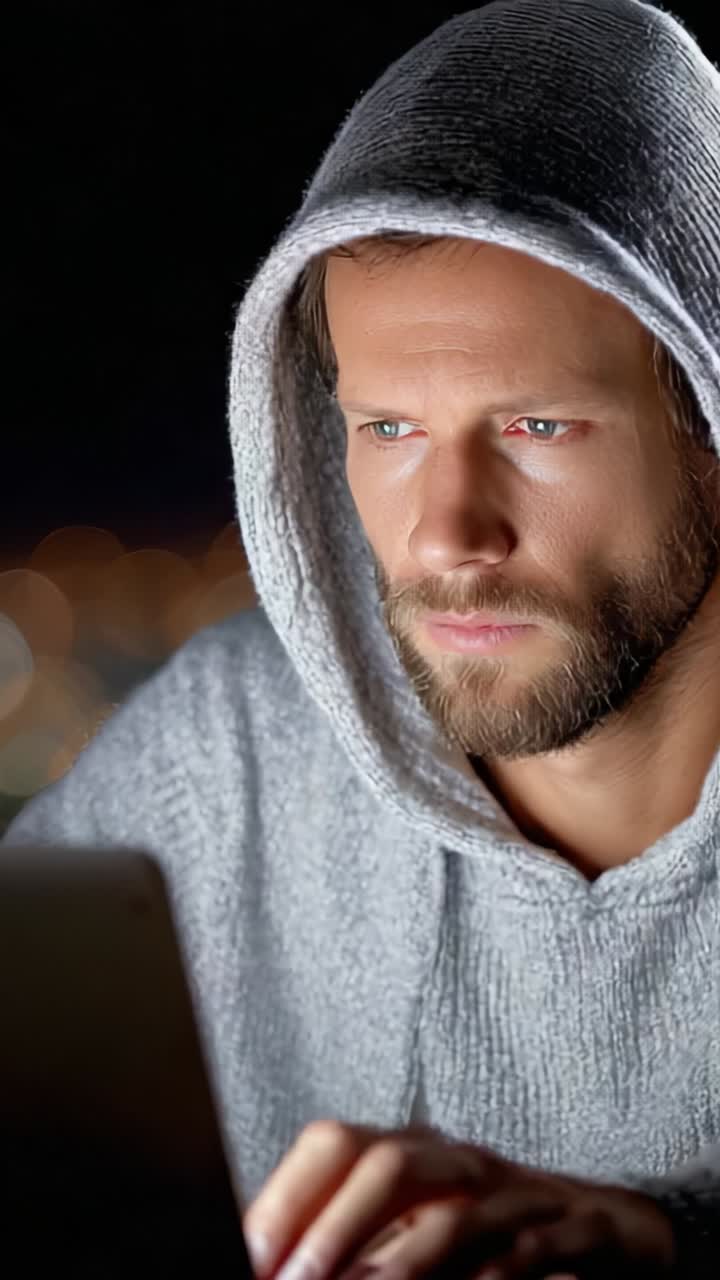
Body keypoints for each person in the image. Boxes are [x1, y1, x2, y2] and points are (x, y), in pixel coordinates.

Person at [4, 0, 720, 1273]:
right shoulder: (231, 746)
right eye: (389, 429)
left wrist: (669, 1245)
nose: (449, 533)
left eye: (537, 428)